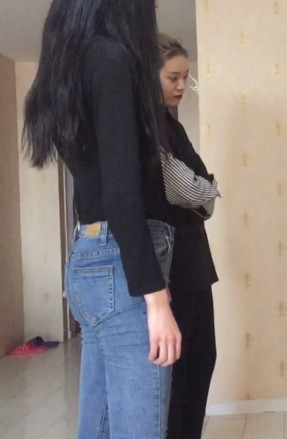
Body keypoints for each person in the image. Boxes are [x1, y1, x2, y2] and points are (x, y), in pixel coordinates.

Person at [22, 0, 181, 438]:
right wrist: (156, 298)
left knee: (101, 427)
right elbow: (122, 193)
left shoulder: (70, 63)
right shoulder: (111, 59)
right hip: (119, 266)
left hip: (92, 257)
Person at [156, 33, 220, 439]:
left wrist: (204, 189)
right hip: (173, 265)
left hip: (195, 261)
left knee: (202, 359)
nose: (182, 86)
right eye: (173, 78)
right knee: (178, 373)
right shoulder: (149, 126)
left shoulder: (172, 125)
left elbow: (203, 195)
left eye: (186, 78)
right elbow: (190, 188)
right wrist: (206, 188)